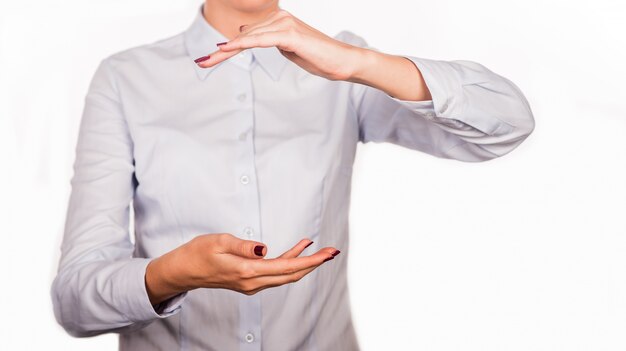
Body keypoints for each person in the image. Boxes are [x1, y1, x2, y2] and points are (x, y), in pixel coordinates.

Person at [51, 0, 535, 350]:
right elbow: (75, 300)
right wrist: (174, 273)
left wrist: (359, 63)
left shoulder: (342, 70)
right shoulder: (124, 78)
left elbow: (506, 124)